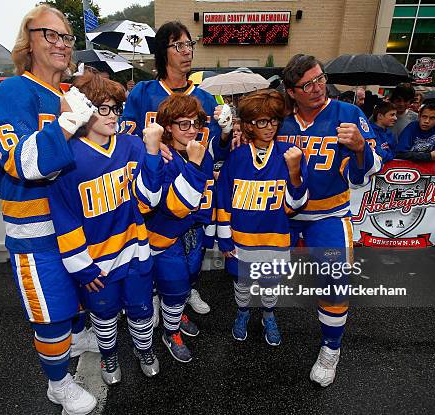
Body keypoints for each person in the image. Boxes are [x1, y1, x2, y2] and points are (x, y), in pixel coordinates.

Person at [0, 5, 99, 415]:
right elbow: (21, 163)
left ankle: (76, 331)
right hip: (37, 234)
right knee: (48, 315)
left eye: (66, 37)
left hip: (78, 228)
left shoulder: (69, 94)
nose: (61, 44)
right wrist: (67, 125)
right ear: (26, 41)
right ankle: (58, 384)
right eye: (49, 34)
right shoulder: (11, 92)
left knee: (77, 300)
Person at [49, 71, 164, 384]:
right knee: (103, 313)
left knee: (141, 310)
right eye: (104, 108)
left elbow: (149, 200)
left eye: (116, 108)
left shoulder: (132, 146)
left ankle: (145, 350)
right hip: (97, 262)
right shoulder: (67, 158)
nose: (113, 115)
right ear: (84, 111)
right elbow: (65, 217)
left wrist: (152, 152)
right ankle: (109, 356)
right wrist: (83, 268)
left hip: (136, 251)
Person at [277, 54, 382, 387]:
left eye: (320, 78)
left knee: (336, 281)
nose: (318, 87)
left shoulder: (348, 113)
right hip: (285, 212)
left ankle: (331, 348)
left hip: (328, 214)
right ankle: (259, 319)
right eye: (307, 84)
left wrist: (361, 147)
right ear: (292, 91)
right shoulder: (279, 117)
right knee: (254, 272)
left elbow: (366, 172)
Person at [122, 20, 233, 324]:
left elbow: (215, 155)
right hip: (156, 193)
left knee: (192, 257)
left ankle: (187, 291)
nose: (187, 51)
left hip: (194, 195)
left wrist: (224, 135)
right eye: (178, 45)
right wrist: (152, 148)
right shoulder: (143, 92)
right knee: (160, 254)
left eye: (189, 45)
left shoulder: (207, 98)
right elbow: (122, 138)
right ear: (162, 51)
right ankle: (159, 295)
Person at [217, 89, 308, 347]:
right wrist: (224, 240)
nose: (269, 127)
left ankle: (268, 315)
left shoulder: (290, 154)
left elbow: (296, 206)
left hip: (275, 238)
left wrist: (294, 173)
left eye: (273, 120)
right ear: (247, 125)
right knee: (242, 283)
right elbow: (223, 201)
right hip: (241, 240)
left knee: (271, 285)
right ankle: (243, 313)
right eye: (261, 121)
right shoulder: (236, 158)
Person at [145, 94, 213, 363]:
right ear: (168, 126)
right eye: (183, 124)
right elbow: (174, 206)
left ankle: (176, 313)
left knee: (188, 278)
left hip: (193, 230)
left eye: (195, 123)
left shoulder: (198, 150)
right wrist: (195, 164)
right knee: (173, 283)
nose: (192, 129)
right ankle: (170, 332)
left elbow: (206, 190)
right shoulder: (159, 156)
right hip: (165, 234)